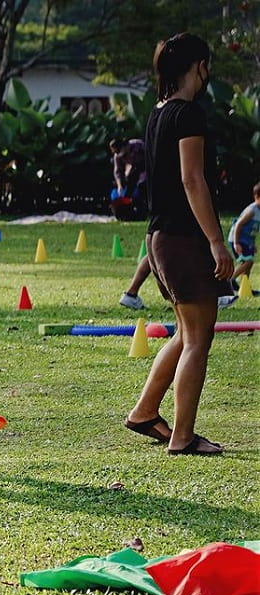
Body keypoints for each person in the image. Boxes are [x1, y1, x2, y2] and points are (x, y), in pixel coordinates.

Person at [124, 32, 234, 456]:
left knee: (186, 333)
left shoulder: (159, 112)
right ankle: (183, 437)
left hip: (159, 238)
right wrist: (216, 242)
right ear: (200, 66)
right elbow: (192, 180)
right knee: (198, 338)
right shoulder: (188, 115)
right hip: (183, 238)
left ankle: (145, 412)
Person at [227, 181, 260, 297]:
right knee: (248, 261)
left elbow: (253, 229)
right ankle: (230, 280)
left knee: (248, 264)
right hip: (238, 239)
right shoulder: (252, 210)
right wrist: (236, 243)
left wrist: (253, 244)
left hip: (247, 241)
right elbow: (238, 225)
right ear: (257, 196)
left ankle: (245, 287)